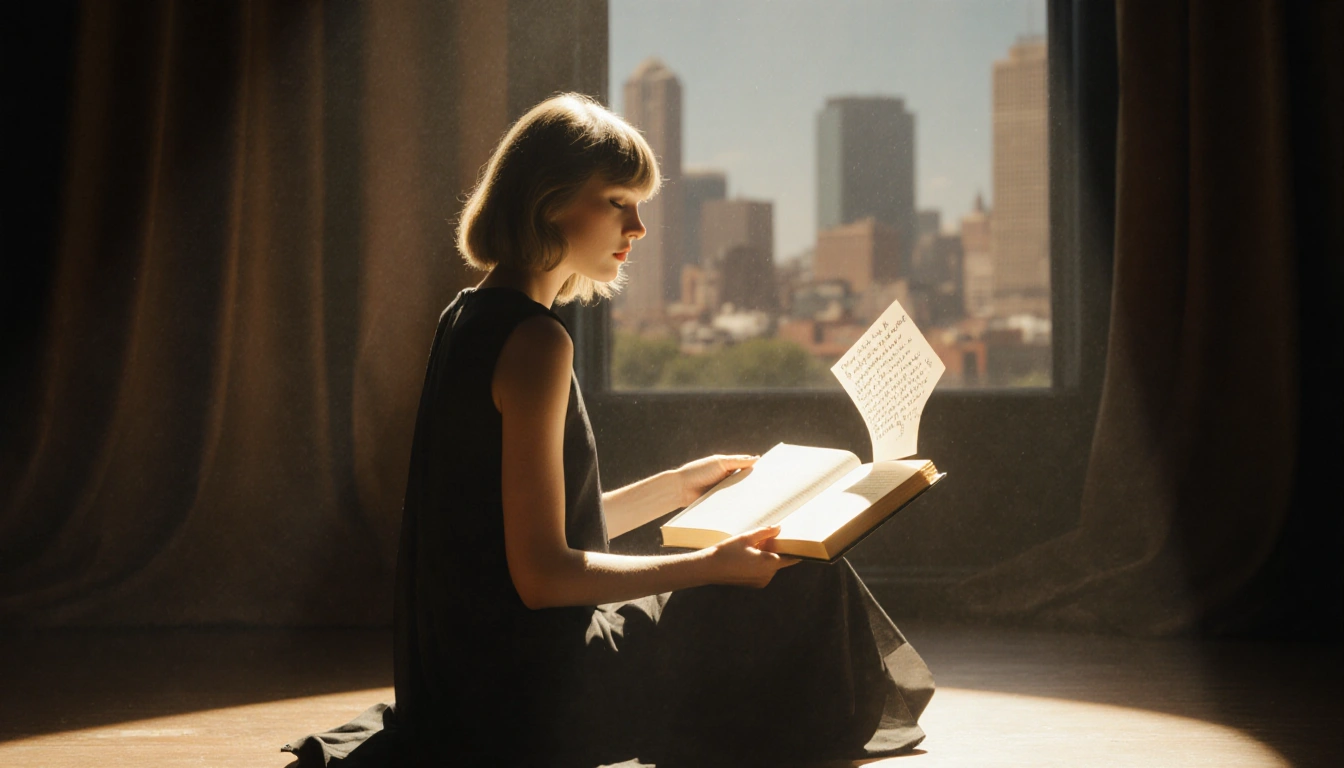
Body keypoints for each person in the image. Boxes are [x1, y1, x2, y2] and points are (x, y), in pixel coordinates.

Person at [284, 93, 933, 768]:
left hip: (467, 683)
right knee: (805, 571)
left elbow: (527, 534)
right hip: (535, 699)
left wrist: (678, 487)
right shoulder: (536, 342)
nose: (640, 227)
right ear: (550, 201)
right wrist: (709, 565)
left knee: (764, 573)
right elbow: (542, 576)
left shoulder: (468, 317)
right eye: (619, 201)